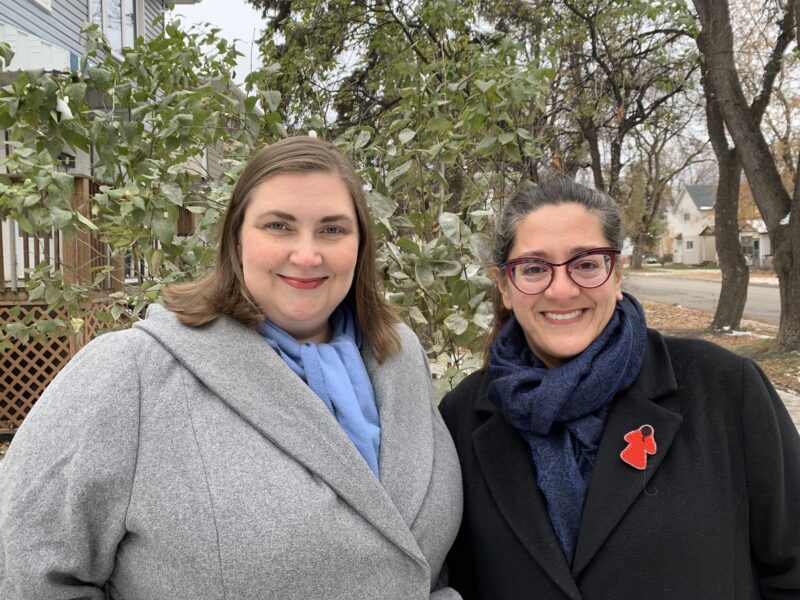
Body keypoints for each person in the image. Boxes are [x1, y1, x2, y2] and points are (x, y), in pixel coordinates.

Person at [0, 136, 463, 599]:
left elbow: (418, 558)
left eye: (332, 229)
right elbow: (26, 574)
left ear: (360, 244)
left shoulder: (398, 358)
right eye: (279, 226)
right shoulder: (130, 372)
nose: (306, 255)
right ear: (236, 237)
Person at [440, 177, 800, 599]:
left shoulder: (722, 389)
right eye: (534, 268)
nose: (562, 289)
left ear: (616, 274)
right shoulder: (463, 418)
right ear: (503, 285)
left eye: (586, 263)